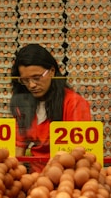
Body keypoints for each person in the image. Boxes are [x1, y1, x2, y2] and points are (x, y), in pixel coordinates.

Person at [10, 44, 91, 172]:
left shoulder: (74, 103)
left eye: (37, 78)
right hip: (35, 176)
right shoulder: (24, 104)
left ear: (52, 72)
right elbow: (18, 146)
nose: (31, 85)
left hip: (66, 174)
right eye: (25, 80)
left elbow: (79, 151)